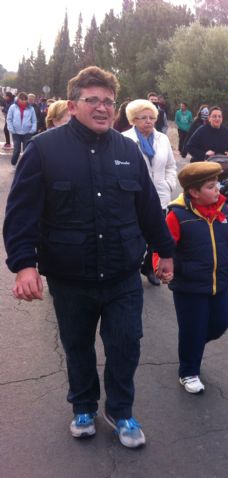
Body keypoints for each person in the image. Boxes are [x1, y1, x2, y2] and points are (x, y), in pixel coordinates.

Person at [3, 66, 175, 449]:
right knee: (77, 345)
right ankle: (83, 405)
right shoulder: (44, 150)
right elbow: (22, 214)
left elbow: (149, 209)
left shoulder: (128, 151)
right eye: (92, 100)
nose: (101, 108)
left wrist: (165, 252)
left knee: (126, 344)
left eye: (108, 102)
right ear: (75, 104)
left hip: (122, 274)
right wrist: (24, 265)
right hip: (70, 278)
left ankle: (120, 410)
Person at [159, 162, 228, 394]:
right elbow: (163, 248)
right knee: (192, 328)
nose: (218, 189)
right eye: (211, 186)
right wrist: (163, 269)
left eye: (217, 184)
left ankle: (194, 344)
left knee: (221, 322)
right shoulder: (177, 215)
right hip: (188, 286)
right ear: (194, 192)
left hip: (217, 282)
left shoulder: (225, 211)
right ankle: (188, 371)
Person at [122, 99, 178, 286]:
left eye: (152, 117)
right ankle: (130, 267)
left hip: (160, 196)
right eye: (143, 117)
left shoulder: (162, 139)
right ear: (133, 120)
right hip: (134, 198)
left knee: (157, 234)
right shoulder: (125, 139)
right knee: (136, 235)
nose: (148, 121)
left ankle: (148, 267)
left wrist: (169, 184)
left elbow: (171, 166)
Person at [6, 91, 37, 166]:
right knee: (17, 150)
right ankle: (13, 164)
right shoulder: (13, 107)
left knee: (26, 150)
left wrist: (33, 129)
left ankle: (24, 165)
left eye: (25, 99)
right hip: (16, 132)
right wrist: (11, 129)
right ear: (18, 99)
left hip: (27, 132)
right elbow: (9, 119)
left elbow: (34, 120)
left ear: (27, 100)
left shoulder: (31, 108)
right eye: (21, 99)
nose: (23, 101)